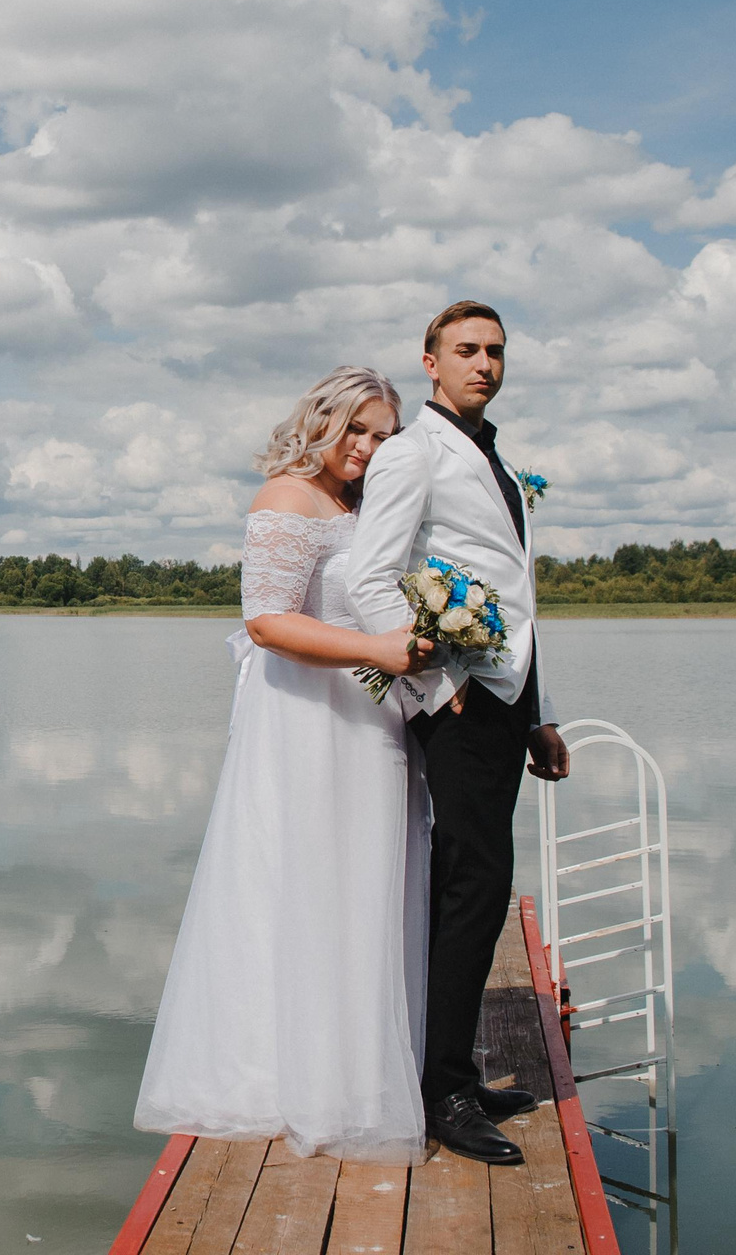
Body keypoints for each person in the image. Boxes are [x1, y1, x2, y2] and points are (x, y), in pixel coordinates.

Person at [133, 367, 441, 1162]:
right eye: (357, 431)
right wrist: (377, 649)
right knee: (302, 885)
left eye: (383, 436)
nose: (369, 449)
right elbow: (267, 622)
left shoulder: (368, 506)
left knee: (368, 882)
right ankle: (281, 1075)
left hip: (373, 719)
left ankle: (362, 1065)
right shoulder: (286, 499)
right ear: (322, 423)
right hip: (306, 720)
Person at [348, 302, 571, 1167]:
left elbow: (517, 595)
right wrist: (437, 687)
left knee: (479, 882)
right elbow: (373, 579)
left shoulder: (498, 462)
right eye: (467, 350)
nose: (485, 363)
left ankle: (453, 1070)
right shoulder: (411, 453)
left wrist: (541, 712)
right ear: (430, 363)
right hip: (459, 699)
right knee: (472, 885)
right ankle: (441, 1091)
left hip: (509, 698)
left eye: (496, 352)